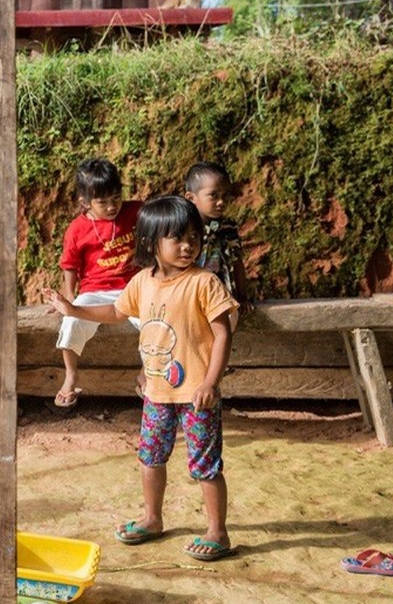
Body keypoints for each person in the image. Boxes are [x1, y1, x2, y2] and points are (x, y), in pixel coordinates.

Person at [46, 196, 239, 562]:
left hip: (197, 394)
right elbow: (116, 312)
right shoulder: (141, 282)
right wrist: (73, 309)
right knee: (150, 457)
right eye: (177, 238)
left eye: (194, 237)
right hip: (156, 393)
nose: (188, 246)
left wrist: (210, 383)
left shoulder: (205, 282)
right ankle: (152, 519)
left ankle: (218, 532)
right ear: (151, 243)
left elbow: (223, 333)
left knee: (205, 464)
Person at [53, 158, 141, 408]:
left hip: (134, 289)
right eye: (103, 202)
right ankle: (70, 375)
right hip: (95, 292)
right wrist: (69, 298)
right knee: (71, 322)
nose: (112, 206)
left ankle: (147, 374)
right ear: (85, 202)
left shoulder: (136, 212)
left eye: (116, 198)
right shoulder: (77, 229)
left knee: (156, 322)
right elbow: (70, 265)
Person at [184, 162, 252, 314]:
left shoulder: (228, 228)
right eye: (213, 195)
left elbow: (237, 262)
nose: (221, 202)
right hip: (191, 298)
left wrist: (242, 297)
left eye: (225, 195)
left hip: (222, 299)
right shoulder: (183, 230)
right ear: (191, 198)